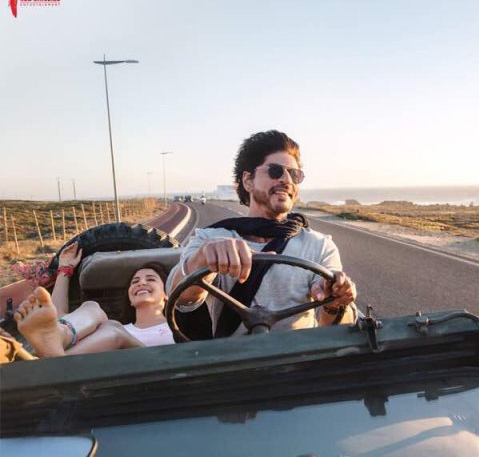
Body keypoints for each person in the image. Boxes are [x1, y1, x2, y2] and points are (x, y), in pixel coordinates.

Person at [168, 130, 357, 338]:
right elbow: (180, 299)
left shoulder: (319, 245)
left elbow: (337, 332)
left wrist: (335, 301)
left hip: (300, 357)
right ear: (248, 180)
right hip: (234, 357)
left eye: (295, 174)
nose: (287, 180)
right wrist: (203, 259)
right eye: (275, 171)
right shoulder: (210, 239)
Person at [12, 262, 174, 358]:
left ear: (167, 293)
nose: (141, 283)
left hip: (160, 371)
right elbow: (57, 315)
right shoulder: (118, 329)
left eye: (151, 279)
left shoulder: (176, 327)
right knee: (92, 307)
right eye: (135, 282)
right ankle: (61, 339)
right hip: (109, 374)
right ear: (130, 299)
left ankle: (58, 360)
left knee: (113, 328)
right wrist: (64, 270)